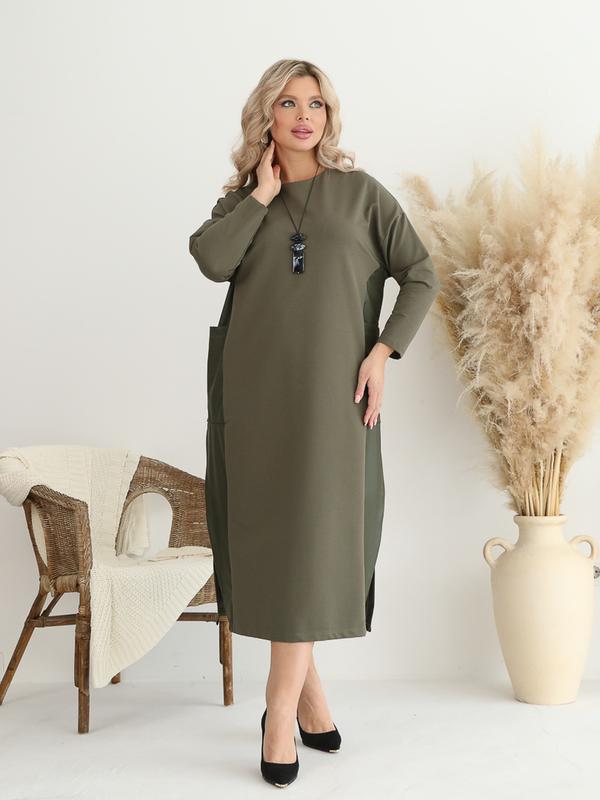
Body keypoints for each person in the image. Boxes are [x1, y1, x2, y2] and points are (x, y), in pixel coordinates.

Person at [189, 58, 439, 787]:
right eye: (289, 103)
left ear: (329, 116)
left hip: (334, 401)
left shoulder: (360, 195)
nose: (305, 116)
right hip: (253, 398)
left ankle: (277, 716)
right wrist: (262, 195)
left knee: (310, 545)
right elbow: (210, 261)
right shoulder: (241, 201)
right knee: (274, 548)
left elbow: (420, 272)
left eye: (317, 104)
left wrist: (384, 351)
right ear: (266, 115)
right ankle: (312, 704)